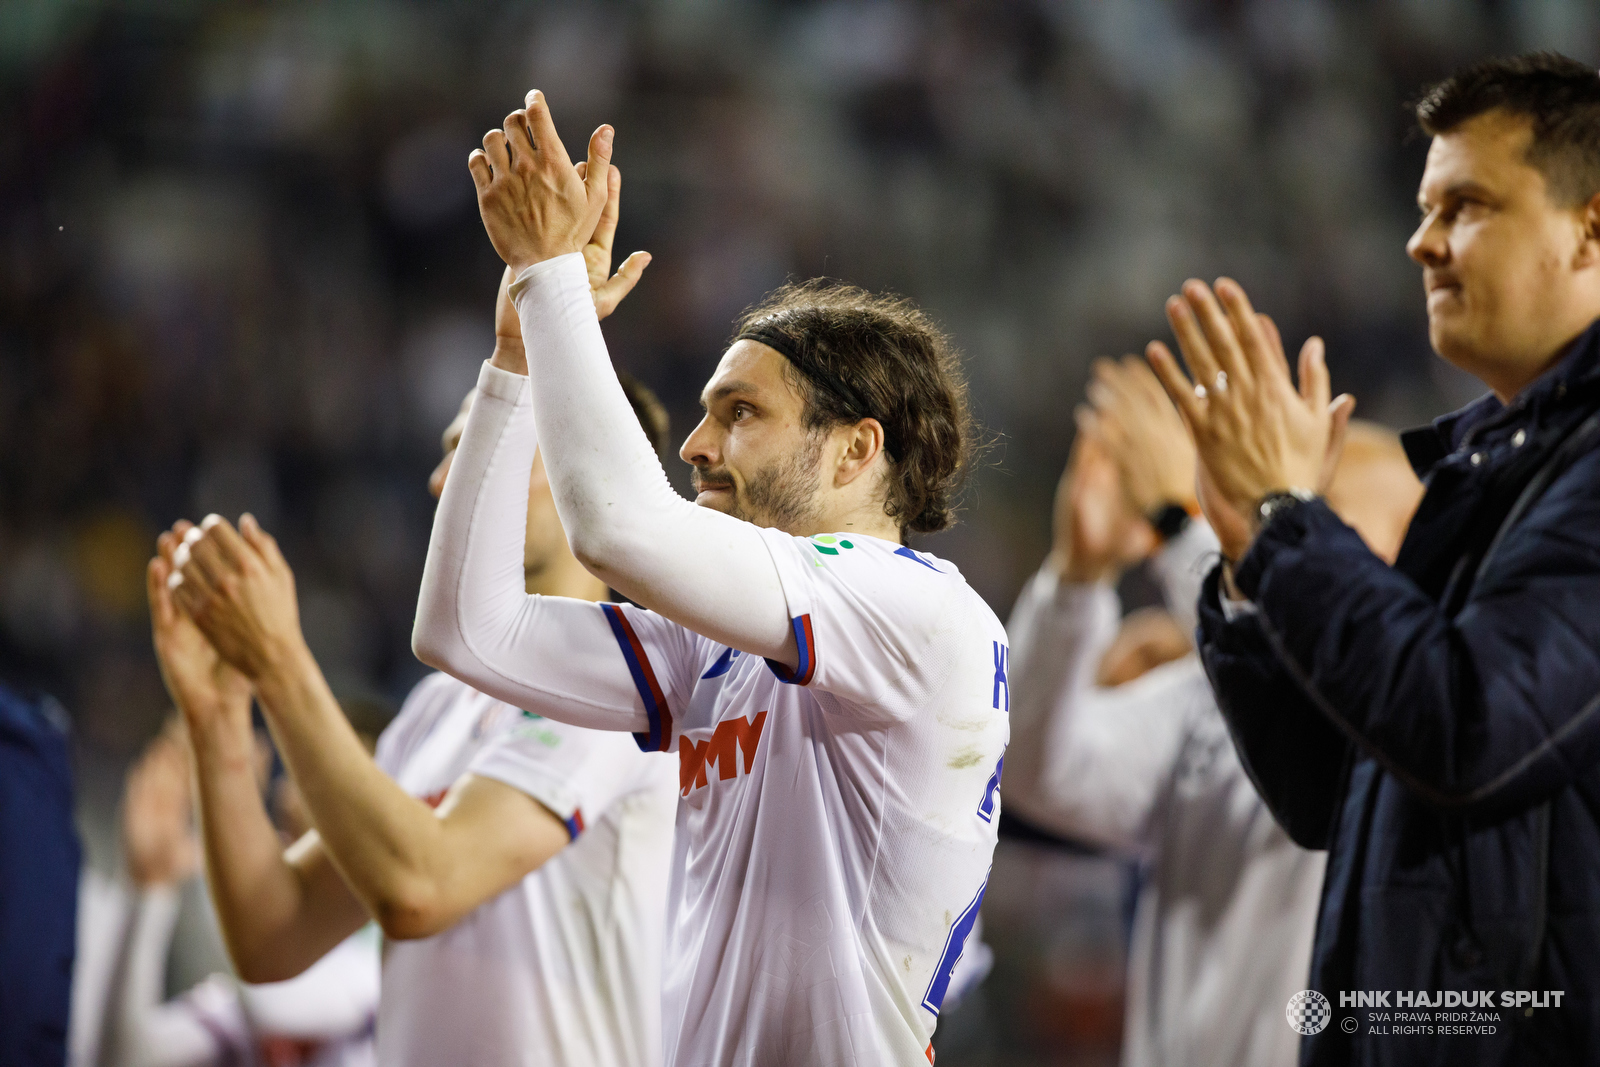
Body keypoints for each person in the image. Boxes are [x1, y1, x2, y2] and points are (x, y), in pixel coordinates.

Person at [393, 92, 1005, 1065]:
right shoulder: (726, 646)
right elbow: (467, 632)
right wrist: (511, 361)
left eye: (740, 413)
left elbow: (620, 530)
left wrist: (552, 280)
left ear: (855, 451)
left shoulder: (916, 608)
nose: (693, 443)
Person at [149, 167, 680, 1067]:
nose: (447, 482)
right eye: (447, 454)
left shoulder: (620, 686)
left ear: (586, 466)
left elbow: (420, 885)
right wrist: (219, 721)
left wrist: (285, 664)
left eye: (481, 446)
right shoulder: (440, 707)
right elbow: (274, 935)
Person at [1144, 52, 1600, 1064]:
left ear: (1589, 229)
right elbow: (1329, 790)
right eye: (1424, 207)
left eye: (1466, 206)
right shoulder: (1489, 467)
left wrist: (1287, 517)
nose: (1421, 242)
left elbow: (1464, 725)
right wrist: (1249, 561)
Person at [1005, 354, 1423, 1067]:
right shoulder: (1207, 692)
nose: (1287, 550)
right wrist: (1079, 579)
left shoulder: (1427, 715)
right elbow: (1034, 772)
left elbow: (1315, 675)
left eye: (1332, 524)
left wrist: (1180, 525)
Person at [94, 721, 379, 1067]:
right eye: (297, 771)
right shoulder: (257, 991)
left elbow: (277, 995)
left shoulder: (394, 950)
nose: (293, 791)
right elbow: (126, 1059)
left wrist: (225, 810)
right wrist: (146, 892)